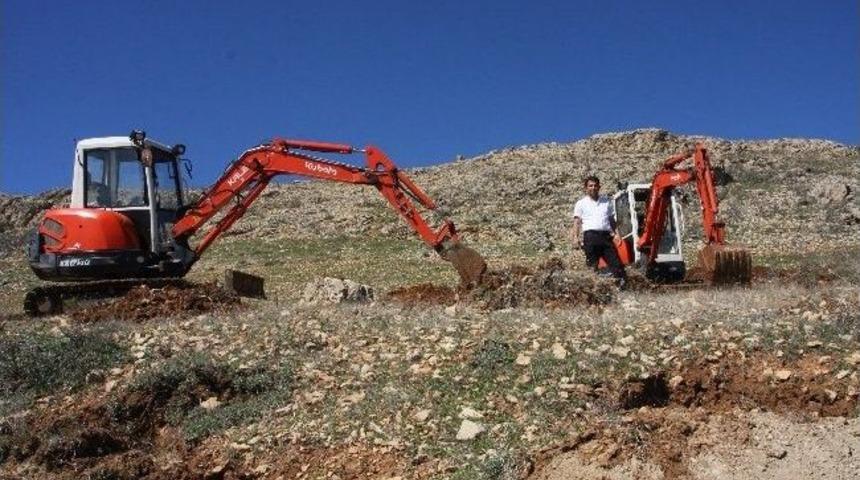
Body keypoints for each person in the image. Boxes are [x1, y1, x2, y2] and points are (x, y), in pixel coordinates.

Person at [571, 175, 627, 286]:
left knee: (617, 265)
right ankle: (594, 291)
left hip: (606, 237)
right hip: (590, 237)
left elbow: (611, 220)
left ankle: (622, 289)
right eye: (590, 186)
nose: (593, 188)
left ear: (599, 187)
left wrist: (616, 234)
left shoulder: (606, 202)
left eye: (595, 185)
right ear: (586, 188)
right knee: (592, 266)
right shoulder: (581, 203)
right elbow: (577, 222)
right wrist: (575, 238)